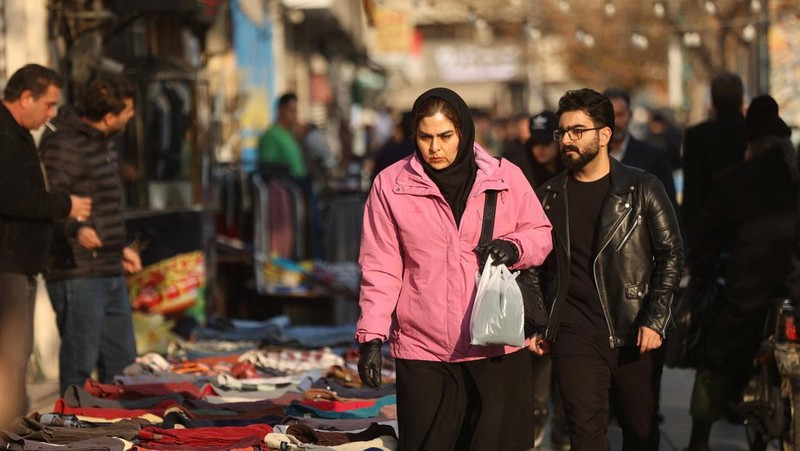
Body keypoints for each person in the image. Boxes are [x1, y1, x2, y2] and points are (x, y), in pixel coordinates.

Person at [355, 87, 553, 449]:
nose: (435, 148)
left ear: (463, 132)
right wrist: (371, 336)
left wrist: (514, 247)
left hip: (495, 345)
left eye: (445, 136)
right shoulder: (390, 186)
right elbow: (380, 265)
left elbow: (540, 233)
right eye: (425, 137)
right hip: (423, 349)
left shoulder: (505, 177)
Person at [531, 88, 683, 450]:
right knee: (585, 434)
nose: (566, 140)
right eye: (562, 131)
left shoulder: (643, 188)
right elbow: (533, 266)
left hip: (633, 329)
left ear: (604, 135)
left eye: (577, 131)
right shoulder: (548, 197)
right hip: (573, 332)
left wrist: (655, 318)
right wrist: (537, 321)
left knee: (640, 431)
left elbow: (671, 254)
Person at [685, 95, 796, 451]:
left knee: (715, 360)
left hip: (748, 291)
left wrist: (700, 270)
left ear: (752, 145)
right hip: (794, 289)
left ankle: (699, 440)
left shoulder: (734, 180)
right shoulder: (794, 177)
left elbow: (708, 240)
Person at [0, 64, 92, 425]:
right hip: (6, 263)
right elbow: (16, 197)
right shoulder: (5, 135)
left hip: (18, 262)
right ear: (25, 99)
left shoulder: (17, 134)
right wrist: (65, 204)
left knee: (16, 353)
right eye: (49, 105)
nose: (52, 115)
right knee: (10, 353)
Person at [40, 74, 140, 396]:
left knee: (123, 365)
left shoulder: (104, 142)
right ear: (109, 117)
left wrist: (119, 247)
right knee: (79, 368)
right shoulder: (63, 144)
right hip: (77, 272)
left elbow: (103, 206)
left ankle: (119, 432)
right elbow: (48, 200)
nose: (132, 116)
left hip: (108, 267)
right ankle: (71, 433)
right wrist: (75, 228)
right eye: (128, 111)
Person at [681, 72, 746, 248]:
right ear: (741, 99)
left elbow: (693, 191)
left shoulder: (697, 136)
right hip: (748, 227)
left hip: (709, 229)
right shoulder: (752, 133)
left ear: (713, 101)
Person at [603, 87, 678, 211]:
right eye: (610, 116)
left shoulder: (653, 158)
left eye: (620, 115)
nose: (615, 122)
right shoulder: (590, 158)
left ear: (630, 115)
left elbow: (668, 207)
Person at [504, 110, 564, 190]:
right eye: (535, 143)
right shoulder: (521, 172)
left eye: (545, 143)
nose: (540, 149)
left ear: (558, 142)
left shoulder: (570, 170)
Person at [257, 92, 307, 178]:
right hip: (285, 187)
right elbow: (268, 168)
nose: (295, 116)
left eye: (296, 111)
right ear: (281, 110)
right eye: (292, 111)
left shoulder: (290, 134)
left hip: (299, 184)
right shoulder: (271, 136)